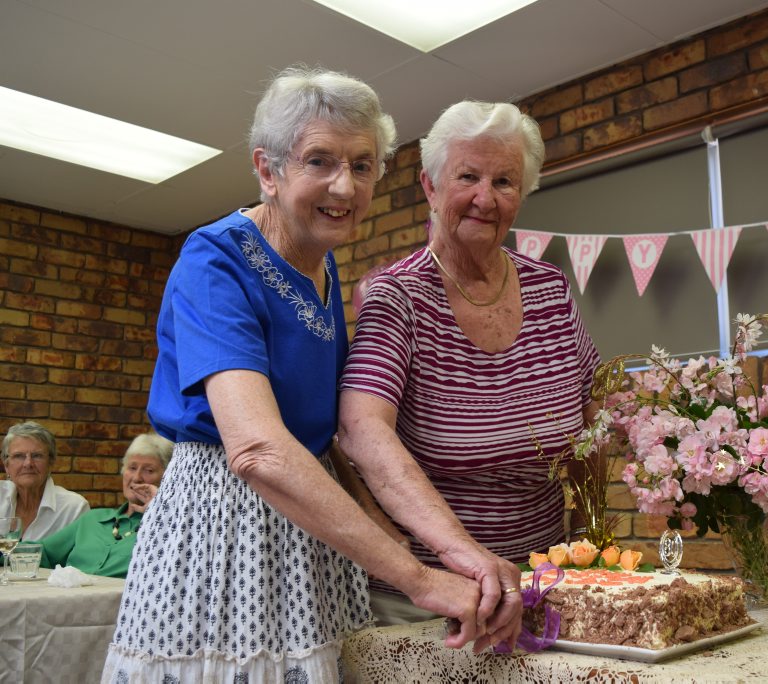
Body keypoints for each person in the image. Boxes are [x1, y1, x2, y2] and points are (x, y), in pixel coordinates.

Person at [103, 67, 521, 683]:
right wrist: (420, 579)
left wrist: (427, 544)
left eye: (362, 164)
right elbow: (258, 448)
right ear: (268, 171)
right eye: (319, 161)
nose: (344, 185)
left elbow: (328, 432)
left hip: (309, 539)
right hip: (226, 529)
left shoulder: (321, 271)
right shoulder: (215, 257)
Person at [338, 100, 603, 624]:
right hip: (428, 594)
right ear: (431, 188)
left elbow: (592, 415)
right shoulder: (399, 298)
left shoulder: (550, 290)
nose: (486, 197)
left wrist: (592, 534)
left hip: (540, 581)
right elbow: (361, 430)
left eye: (505, 182)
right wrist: (468, 560)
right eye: (468, 177)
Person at [37, 432, 172, 577]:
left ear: (168, 477)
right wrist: (10, 546)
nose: (137, 478)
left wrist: (161, 510)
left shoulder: (169, 527)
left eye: (149, 470)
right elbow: (40, 552)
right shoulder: (93, 519)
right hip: (69, 597)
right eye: (132, 468)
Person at [1, 421, 89, 539]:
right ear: (6, 466)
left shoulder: (74, 508)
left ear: (50, 463)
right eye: (19, 456)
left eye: (37, 455)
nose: (28, 463)